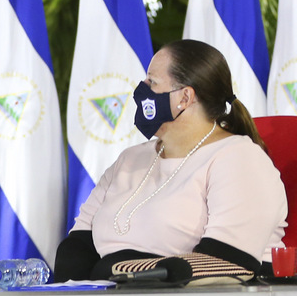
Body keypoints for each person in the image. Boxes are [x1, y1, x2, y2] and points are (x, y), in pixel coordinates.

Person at [55, 40, 288, 281]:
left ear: (185, 97)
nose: (142, 90)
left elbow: (226, 264)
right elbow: (77, 247)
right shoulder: (130, 159)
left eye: (152, 82)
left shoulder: (240, 159)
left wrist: (113, 272)